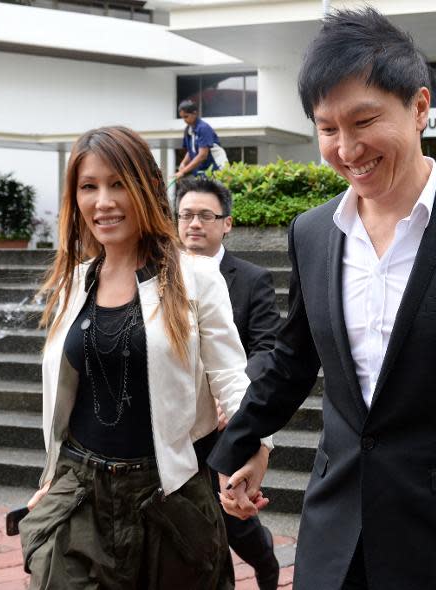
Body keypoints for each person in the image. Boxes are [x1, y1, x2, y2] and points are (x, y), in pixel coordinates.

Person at [209, 8, 436, 590]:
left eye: (363, 121)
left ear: (419, 107)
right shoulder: (313, 233)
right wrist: (238, 446)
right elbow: (292, 361)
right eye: (327, 128)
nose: (346, 148)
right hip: (337, 538)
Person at [18, 125, 271, 589]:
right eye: (89, 186)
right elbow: (68, 397)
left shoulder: (193, 278)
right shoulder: (74, 282)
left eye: (118, 184)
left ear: (148, 188)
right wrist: (53, 479)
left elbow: (234, 379)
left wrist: (255, 451)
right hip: (81, 492)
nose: (103, 201)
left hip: (168, 493)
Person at [177, 175, 282, 590]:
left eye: (205, 215)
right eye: (186, 215)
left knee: (236, 524)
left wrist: (233, 393)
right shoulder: (156, 273)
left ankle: (268, 564)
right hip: (178, 424)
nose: (194, 224)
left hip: (226, 422)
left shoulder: (252, 278)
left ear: (228, 223)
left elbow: (266, 346)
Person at [176, 100, 224, 178]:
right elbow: (191, 150)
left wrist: (183, 171)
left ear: (195, 113)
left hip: (216, 170)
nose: (184, 120)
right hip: (201, 172)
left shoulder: (203, 128)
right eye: (182, 118)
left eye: (186, 116)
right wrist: (183, 163)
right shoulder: (188, 130)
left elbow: (203, 155)